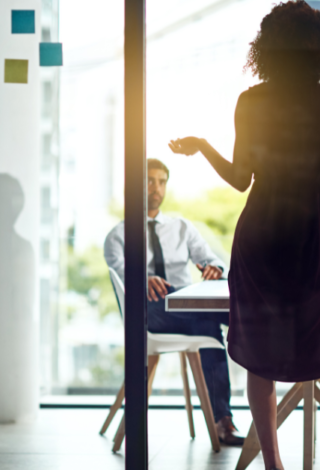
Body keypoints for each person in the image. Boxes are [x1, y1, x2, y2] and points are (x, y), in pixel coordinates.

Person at [167, 3, 320, 469]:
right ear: (319, 47)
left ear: (266, 46)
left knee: (259, 354)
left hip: (261, 232)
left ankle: (273, 465)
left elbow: (239, 179)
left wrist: (204, 146)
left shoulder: (251, 101)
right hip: (310, 233)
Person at [103, 158, 245, 446]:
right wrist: (142, 278)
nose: (156, 188)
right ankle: (224, 420)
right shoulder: (118, 235)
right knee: (225, 320)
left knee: (213, 324)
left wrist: (214, 267)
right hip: (149, 314)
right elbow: (121, 275)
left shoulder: (181, 227)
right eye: (149, 181)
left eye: (161, 181)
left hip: (188, 310)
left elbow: (210, 258)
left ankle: (224, 420)